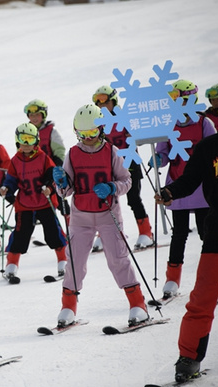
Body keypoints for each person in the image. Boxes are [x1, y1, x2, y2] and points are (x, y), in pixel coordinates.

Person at [154, 79, 218, 383]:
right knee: (201, 301)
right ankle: (188, 359)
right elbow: (190, 179)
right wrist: (170, 192)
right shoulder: (211, 146)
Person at [52, 104, 149, 327]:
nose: (88, 138)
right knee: (75, 262)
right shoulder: (73, 154)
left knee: (118, 259)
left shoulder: (111, 151)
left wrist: (112, 187)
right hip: (80, 217)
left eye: (92, 133)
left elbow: (127, 181)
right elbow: (66, 191)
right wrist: (61, 182)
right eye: (83, 134)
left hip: (107, 214)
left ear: (101, 129)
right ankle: (68, 307)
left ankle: (138, 305)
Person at [149, 79, 217, 299]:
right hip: (177, 185)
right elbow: (165, 151)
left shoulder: (203, 123)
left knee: (207, 233)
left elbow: (214, 151)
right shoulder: (169, 124)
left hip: (201, 187)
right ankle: (172, 279)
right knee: (179, 234)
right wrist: (158, 158)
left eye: (179, 98)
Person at [0, 123, 67, 281]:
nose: (26, 144)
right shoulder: (15, 161)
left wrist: (49, 187)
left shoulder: (43, 158)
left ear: (36, 141)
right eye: (23, 140)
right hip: (25, 205)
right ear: (18, 141)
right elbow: (11, 180)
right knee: (20, 235)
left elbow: (52, 176)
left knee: (53, 233)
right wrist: (6, 189)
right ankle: (11, 265)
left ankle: (63, 261)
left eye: (30, 140)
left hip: (44, 202)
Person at [92, 85, 154, 251]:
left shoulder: (124, 117)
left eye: (105, 101)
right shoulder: (98, 122)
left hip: (129, 163)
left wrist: (134, 134)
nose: (101, 105)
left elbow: (139, 133)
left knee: (134, 199)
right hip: (109, 167)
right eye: (98, 102)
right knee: (107, 202)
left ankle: (146, 232)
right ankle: (109, 234)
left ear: (113, 101)